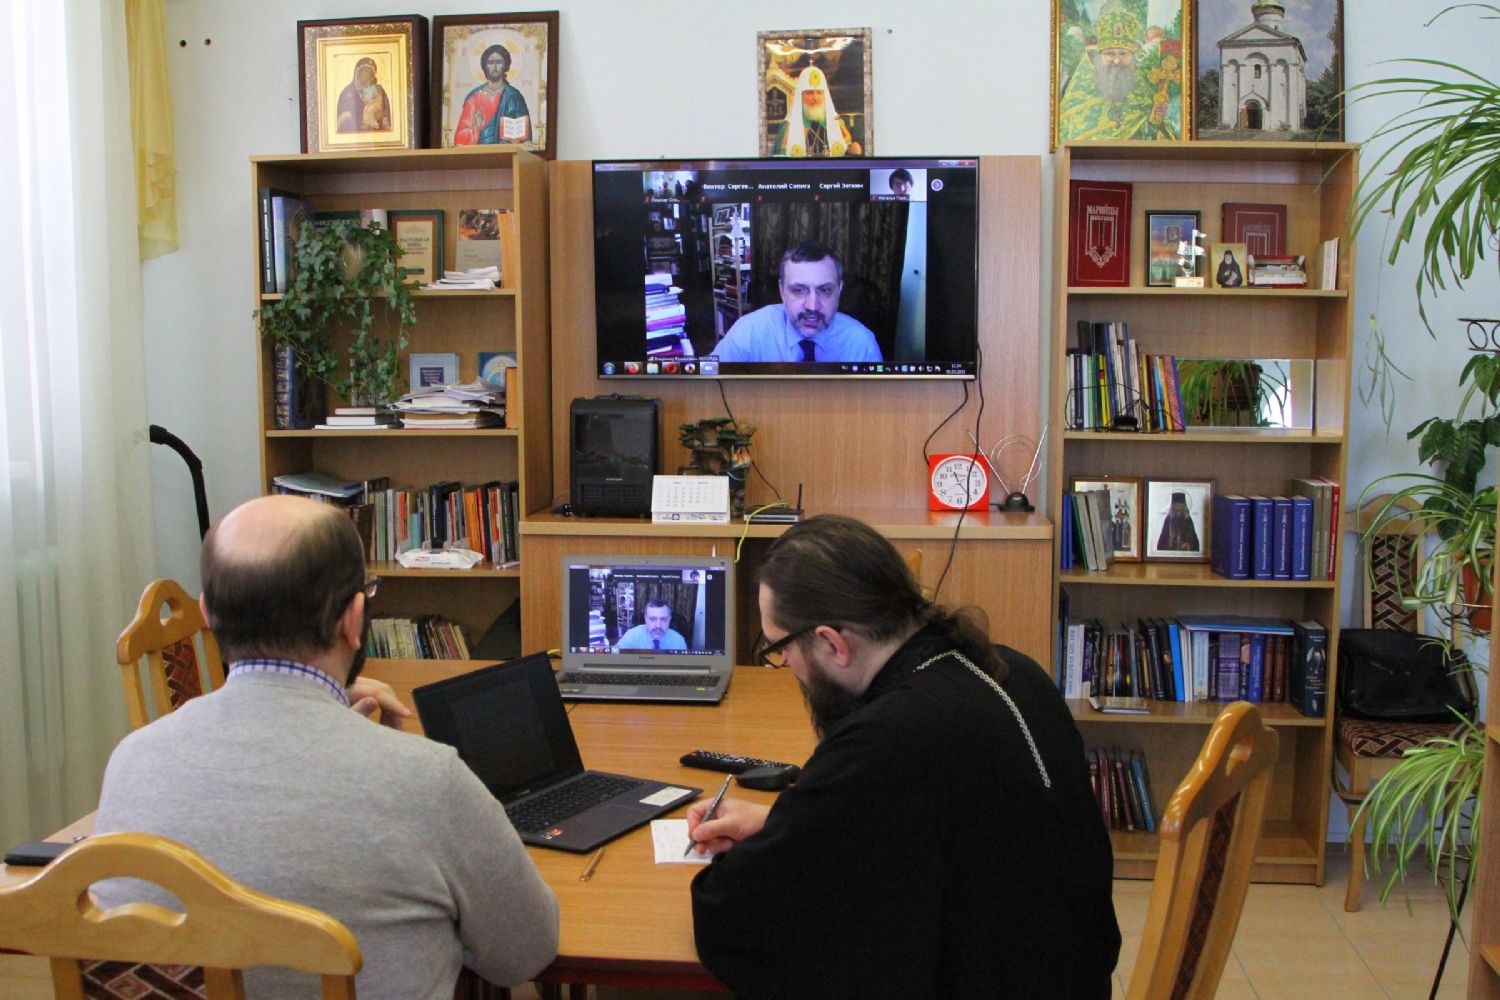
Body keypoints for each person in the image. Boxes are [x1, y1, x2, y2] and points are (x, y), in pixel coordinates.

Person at [93, 496, 558, 1000]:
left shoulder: (133, 759)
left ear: (207, 613)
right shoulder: (427, 779)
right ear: (353, 619)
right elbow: (524, 954)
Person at [687, 515, 1120, 998]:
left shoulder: (889, 735)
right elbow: (936, 829)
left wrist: (780, 843)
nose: (784, 663)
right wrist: (783, 826)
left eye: (780, 647)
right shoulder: (1013, 669)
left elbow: (739, 913)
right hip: (1066, 971)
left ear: (832, 642)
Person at [713, 242, 882, 363]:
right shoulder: (749, 332)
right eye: (799, 290)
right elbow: (710, 380)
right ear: (782, 291)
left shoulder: (862, 344)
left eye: (825, 290)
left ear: (839, 290)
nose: (812, 306)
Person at [1056, 0, 1180, 142]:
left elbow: (1154, 132)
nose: (1117, 60)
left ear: (1133, 56)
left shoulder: (1145, 86)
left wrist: (1155, 117)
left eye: (1123, 54)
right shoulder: (1082, 86)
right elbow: (1070, 133)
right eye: (1110, 54)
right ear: (1100, 56)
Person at [772, 65, 862, 157]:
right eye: (809, 93)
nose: (815, 98)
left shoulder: (836, 122)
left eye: (819, 92)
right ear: (800, 97)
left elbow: (846, 150)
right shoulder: (789, 127)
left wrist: (853, 150)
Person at [454, 43, 531, 145]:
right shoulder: (473, 98)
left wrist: (517, 140)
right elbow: (459, 139)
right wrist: (476, 127)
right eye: (490, 62)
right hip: (479, 153)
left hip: (507, 152)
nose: (494, 66)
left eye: (499, 62)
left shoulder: (514, 96)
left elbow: (525, 139)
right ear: (485, 66)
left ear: (505, 65)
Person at [336, 57, 391, 133]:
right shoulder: (347, 93)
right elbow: (343, 121)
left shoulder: (379, 91)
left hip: (376, 135)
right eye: (364, 72)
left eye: (370, 73)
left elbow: (387, 115)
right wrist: (362, 120)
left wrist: (380, 116)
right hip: (354, 135)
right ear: (357, 73)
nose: (367, 76)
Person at [616, 598, 687, 650]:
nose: (658, 625)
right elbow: (615, 656)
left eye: (663, 619)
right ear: (645, 619)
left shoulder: (678, 641)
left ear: (669, 619)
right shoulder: (632, 635)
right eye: (652, 619)